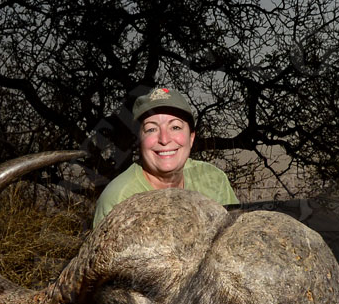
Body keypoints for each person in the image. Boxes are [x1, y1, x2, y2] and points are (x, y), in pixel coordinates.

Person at [93, 86, 237, 227]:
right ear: (138, 140)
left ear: (191, 138)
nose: (164, 139)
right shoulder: (118, 199)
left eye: (175, 127)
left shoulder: (214, 180)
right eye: (151, 129)